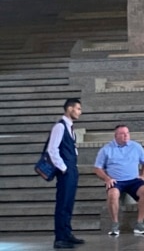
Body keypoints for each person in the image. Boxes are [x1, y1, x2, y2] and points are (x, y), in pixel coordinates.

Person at [93, 125, 144, 236]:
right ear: (116, 136)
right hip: (116, 181)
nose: (126, 135)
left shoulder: (136, 146)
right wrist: (107, 178)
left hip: (134, 179)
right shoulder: (106, 149)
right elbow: (97, 168)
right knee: (112, 194)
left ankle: (140, 223)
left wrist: (142, 175)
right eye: (122, 133)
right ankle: (115, 225)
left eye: (127, 133)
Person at [47, 98, 84, 249]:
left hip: (71, 169)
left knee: (69, 203)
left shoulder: (70, 127)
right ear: (69, 109)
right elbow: (52, 149)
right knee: (62, 204)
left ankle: (67, 233)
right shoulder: (60, 127)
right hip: (65, 171)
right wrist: (63, 168)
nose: (80, 112)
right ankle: (60, 238)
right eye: (78, 109)